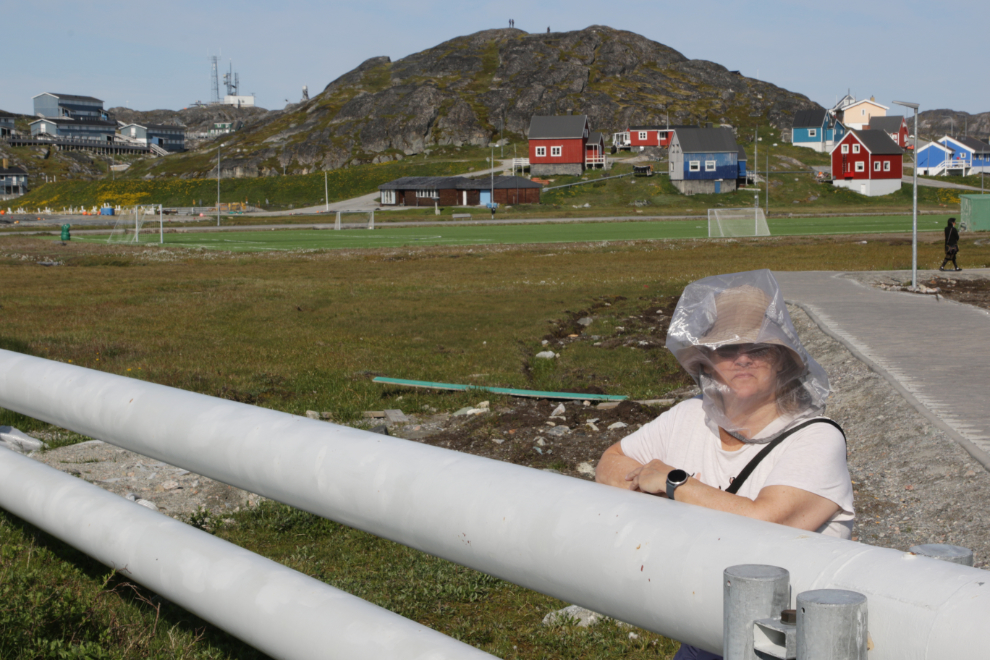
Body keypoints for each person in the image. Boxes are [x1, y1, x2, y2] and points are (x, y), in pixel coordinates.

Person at [595, 270, 854, 660]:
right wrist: (647, 483)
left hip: (789, 641)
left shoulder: (816, 438)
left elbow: (768, 524)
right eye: (727, 348)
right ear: (707, 360)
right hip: (703, 629)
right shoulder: (687, 417)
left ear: (782, 359)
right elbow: (610, 463)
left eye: (759, 347)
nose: (743, 358)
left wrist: (674, 484)